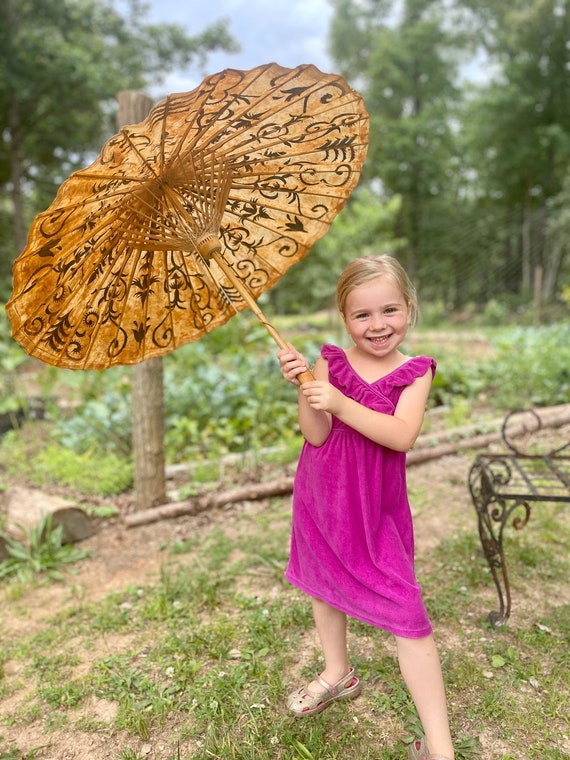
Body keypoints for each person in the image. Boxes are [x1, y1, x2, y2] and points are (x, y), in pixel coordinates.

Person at [277, 255, 455, 760]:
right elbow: (315, 435)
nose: (377, 325)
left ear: (409, 309)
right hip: (322, 493)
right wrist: (307, 393)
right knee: (323, 583)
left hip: (374, 508)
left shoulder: (413, 372)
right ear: (344, 316)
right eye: (362, 315)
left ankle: (439, 746)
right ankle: (338, 673)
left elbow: (401, 437)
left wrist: (339, 402)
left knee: (408, 614)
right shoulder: (330, 361)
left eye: (389, 311)